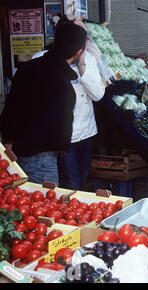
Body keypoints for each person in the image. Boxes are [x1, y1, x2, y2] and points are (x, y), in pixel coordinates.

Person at [0, 22, 88, 186]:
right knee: (43, 205)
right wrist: (61, 144)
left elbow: (11, 110)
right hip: (41, 158)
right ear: (78, 52)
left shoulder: (27, 68)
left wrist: (9, 141)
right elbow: (58, 124)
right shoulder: (62, 83)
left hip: (18, 152)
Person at [33, 16, 105, 190]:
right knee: (71, 183)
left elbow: (98, 95)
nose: (85, 42)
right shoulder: (42, 59)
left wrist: (82, 67)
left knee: (81, 177)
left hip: (87, 132)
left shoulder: (89, 60)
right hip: (63, 136)